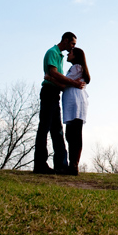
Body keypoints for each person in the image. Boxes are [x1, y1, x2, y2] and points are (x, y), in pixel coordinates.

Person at [34, 32, 85, 174]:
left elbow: (57, 79)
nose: (73, 47)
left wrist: (67, 84)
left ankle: (61, 165)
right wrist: (73, 83)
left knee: (57, 130)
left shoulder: (60, 56)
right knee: (44, 127)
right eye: (73, 44)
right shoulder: (52, 52)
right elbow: (54, 73)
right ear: (66, 40)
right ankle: (40, 164)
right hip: (49, 92)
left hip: (55, 92)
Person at [61, 46, 90, 176]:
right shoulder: (76, 68)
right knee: (71, 134)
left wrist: (50, 78)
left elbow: (63, 82)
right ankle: (72, 164)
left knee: (74, 135)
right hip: (74, 104)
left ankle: (73, 166)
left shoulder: (77, 67)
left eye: (70, 53)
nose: (68, 54)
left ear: (76, 56)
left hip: (76, 104)